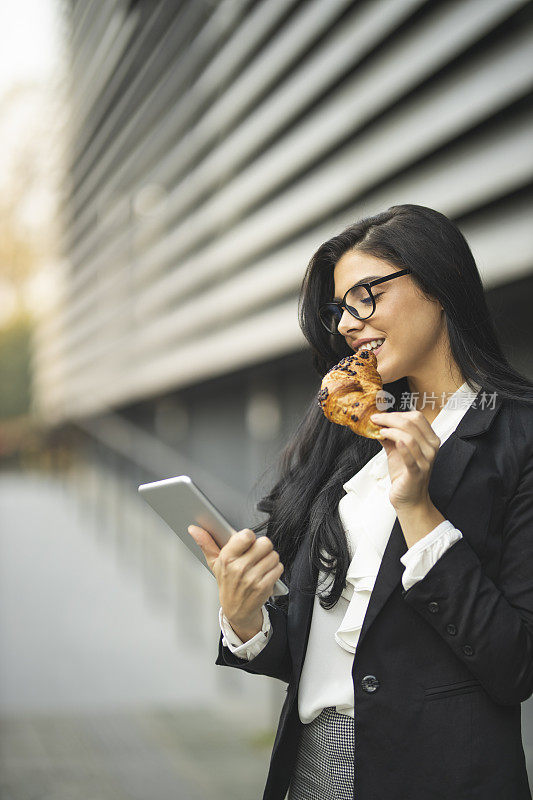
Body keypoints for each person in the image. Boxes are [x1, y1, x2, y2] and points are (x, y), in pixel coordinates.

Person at [188, 204, 533, 800]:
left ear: (440, 282)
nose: (348, 323)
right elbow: (328, 649)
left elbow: (516, 664)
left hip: (441, 776)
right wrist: (246, 618)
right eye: (339, 308)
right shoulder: (348, 433)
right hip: (314, 767)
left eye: (365, 295)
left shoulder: (515, 438)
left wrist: (420, 512)